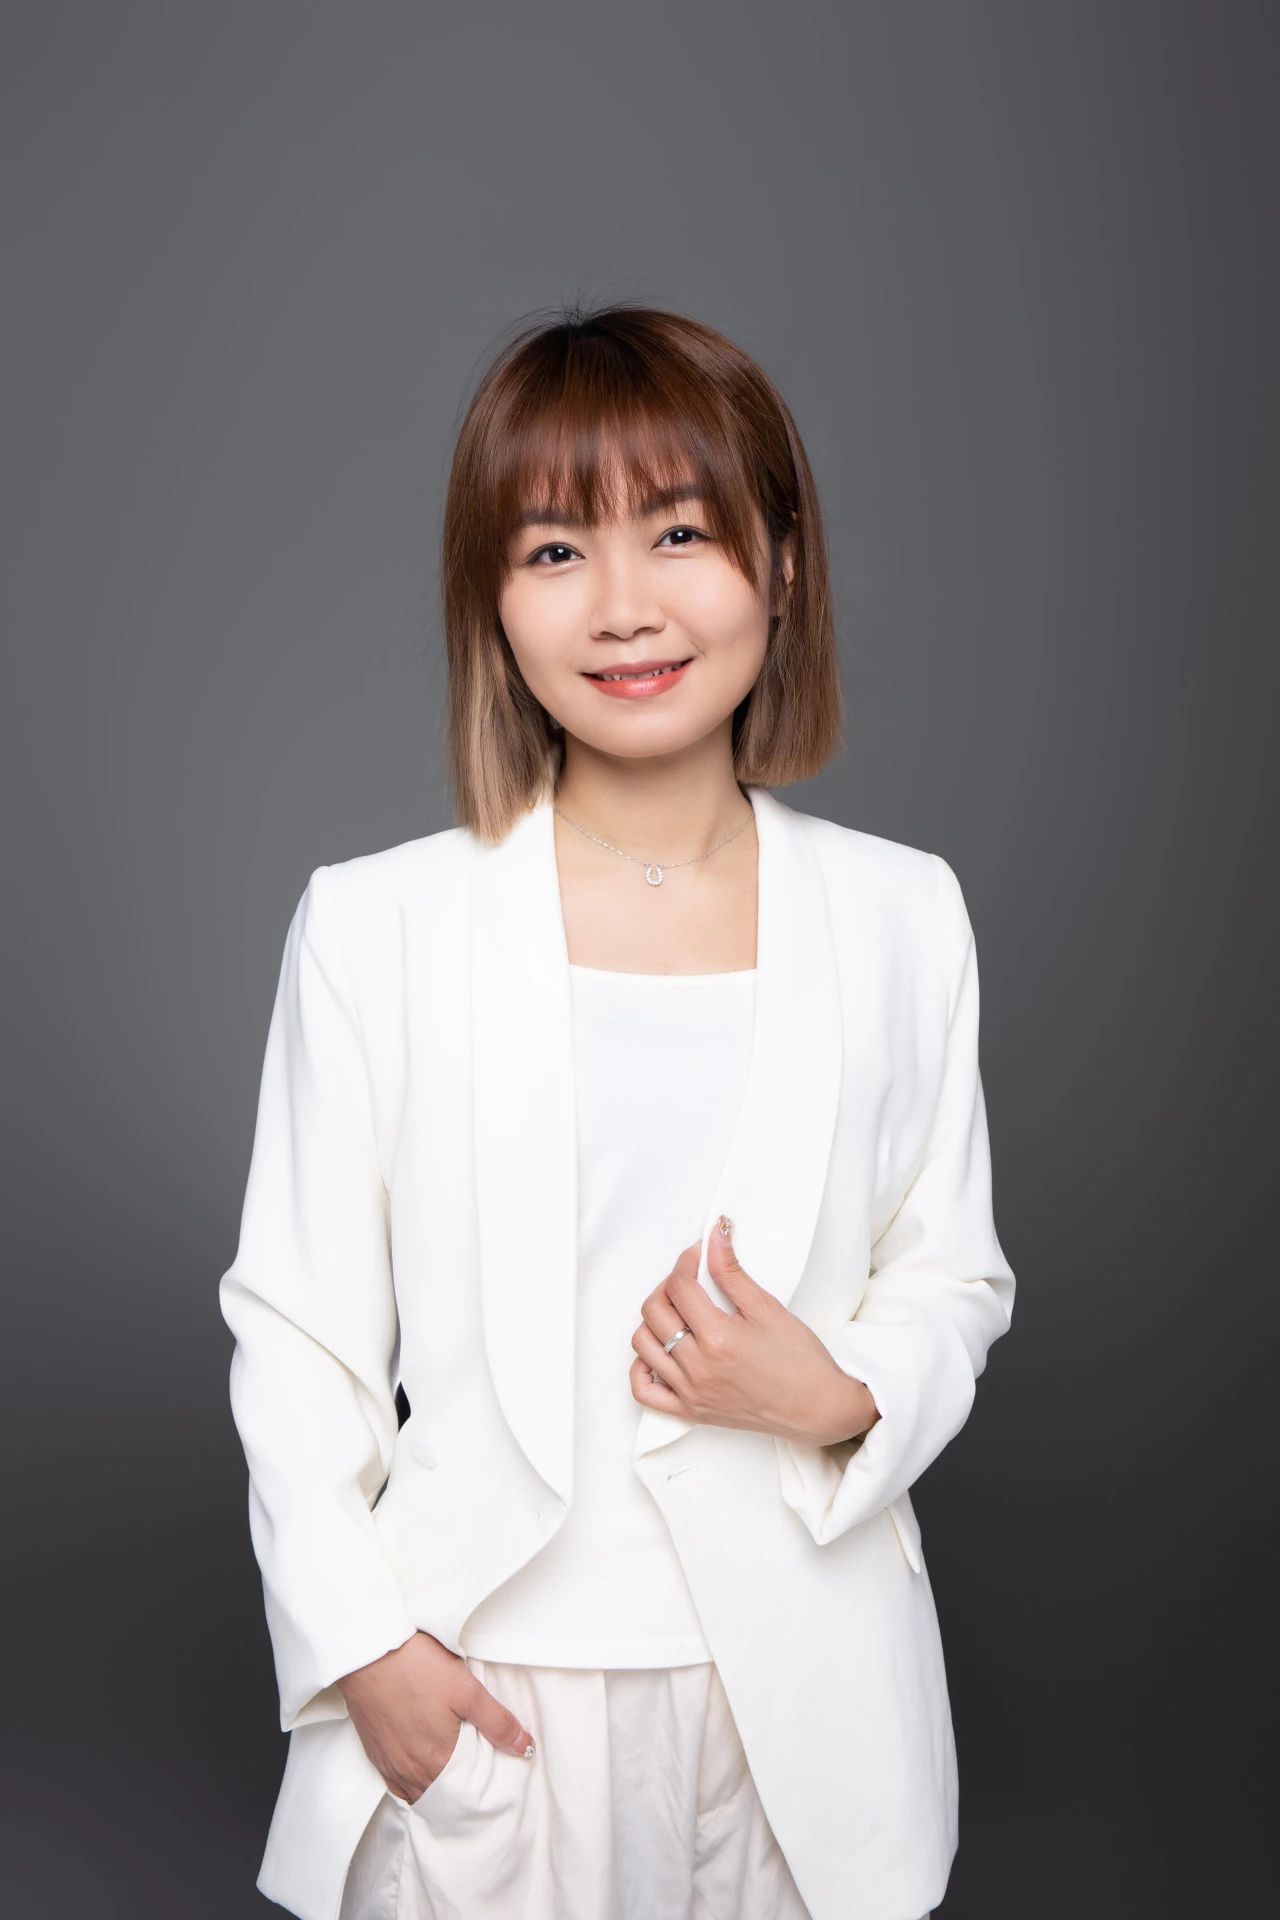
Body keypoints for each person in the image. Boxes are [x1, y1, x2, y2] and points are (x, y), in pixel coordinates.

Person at [219, 302, 1015, 1920]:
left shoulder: (902, 914)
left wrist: (839, 1391)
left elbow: (954, 1274)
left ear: (782, 562)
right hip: (484, 1687)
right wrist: (366, 1651)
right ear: (492, 601)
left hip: (803, 1708)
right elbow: (295, 1332)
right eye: (555, 550)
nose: (625, 605)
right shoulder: (377, 926)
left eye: (680, 532)